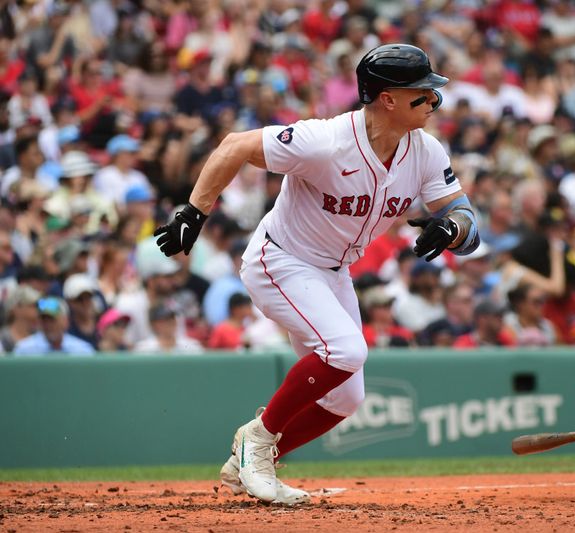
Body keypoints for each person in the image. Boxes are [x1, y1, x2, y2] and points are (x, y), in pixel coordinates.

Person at [154, 44, 479, 504]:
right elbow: (235, 146)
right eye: (423, 94)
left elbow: (467, 224)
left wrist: (452, 228)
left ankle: (248, 462)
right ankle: (257, 439)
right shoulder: (325, 140)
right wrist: (194, 210)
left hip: (333, 271)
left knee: (346, 398)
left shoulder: (425, 151)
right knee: (347, 350)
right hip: (281, 259)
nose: (434, 102)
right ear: (388, 99)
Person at [13, 296, 95, 356]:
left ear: (65, 321)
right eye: (44, 320)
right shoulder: (24, 350)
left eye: (52, 320)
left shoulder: (82, 350)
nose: (47, 324)